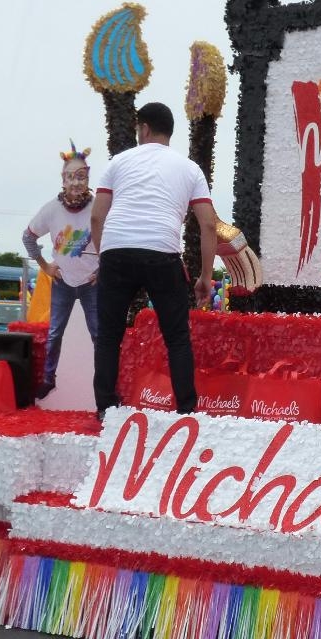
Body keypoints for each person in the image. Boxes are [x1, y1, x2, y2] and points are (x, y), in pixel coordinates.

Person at [90, 102, 217, 419]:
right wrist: (204, 276)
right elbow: (209, 225)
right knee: (176, 337)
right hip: (162, 252)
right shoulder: (189, 169)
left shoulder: (118, 162)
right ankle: (186, 410)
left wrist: (104, 255)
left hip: (117, 251)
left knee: (108, 336)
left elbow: (96, 216)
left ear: (143, 128)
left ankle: (105, 408)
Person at [23, 142, 100, 399]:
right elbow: (28, 237)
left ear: (88, 177)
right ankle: (48, 378)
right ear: (63, 179)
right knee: (55, 332)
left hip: (91, 283)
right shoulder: (52, 209)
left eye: (81, 176)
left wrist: (103, 270)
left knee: (99, 334)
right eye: (71, 177)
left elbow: (116, 240)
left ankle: (104, 386)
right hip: (63, 281)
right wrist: (45, 266)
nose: (76, 183)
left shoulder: (99, 207)